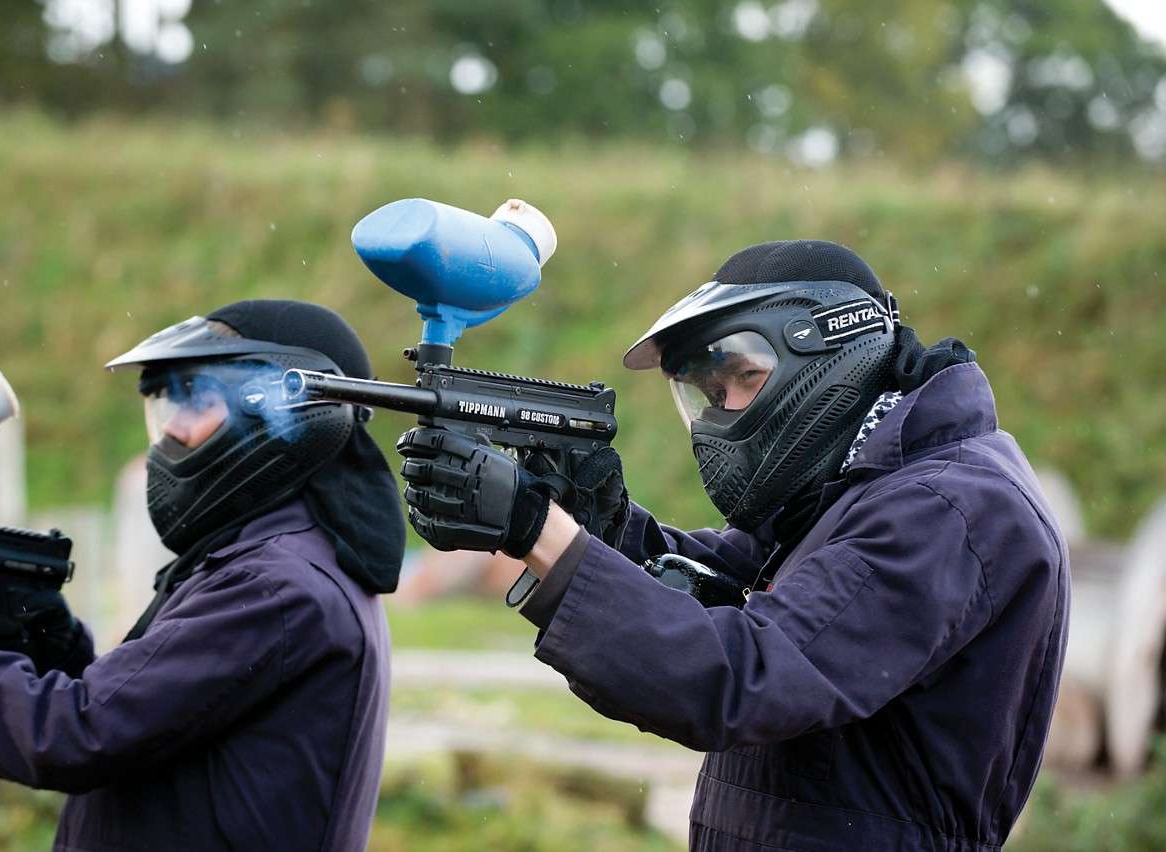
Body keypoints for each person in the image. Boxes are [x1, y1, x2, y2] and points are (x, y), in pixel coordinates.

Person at [397, 241, 1070, 851]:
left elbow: (745, 675)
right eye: (709, 394)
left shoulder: (947, 509)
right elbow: (723, 585)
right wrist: (598, 525)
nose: (722, 412)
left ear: (826, 348)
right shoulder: (858, 488)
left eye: (741, 378)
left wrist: (539, 530)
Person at [0, 299, 405, 851]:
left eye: (199, 399)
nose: (171, 432)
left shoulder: (275, 586)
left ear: (295, 414)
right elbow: (145, 724)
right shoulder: (268, 562)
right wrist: (46, 640)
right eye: (165, 404)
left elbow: (75, 737)